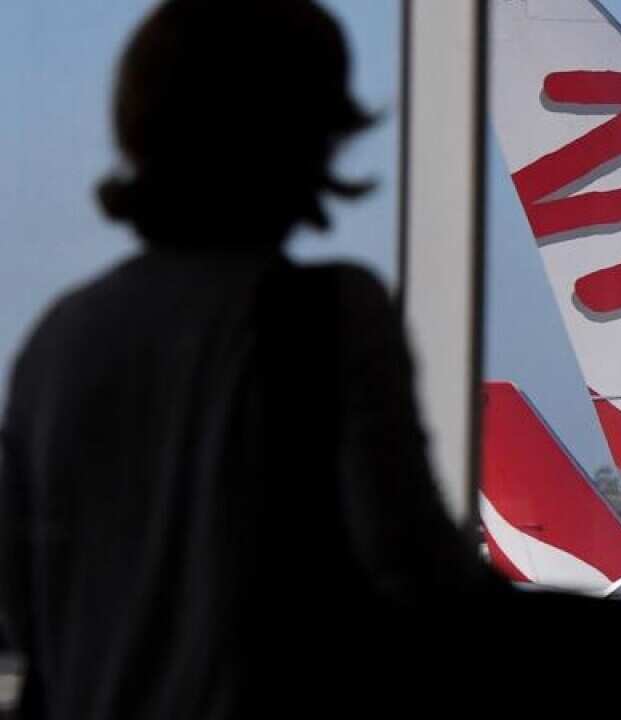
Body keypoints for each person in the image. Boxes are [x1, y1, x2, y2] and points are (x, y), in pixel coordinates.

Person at [0, 1, 506, 717]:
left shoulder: (57, 340)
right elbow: (419, 578)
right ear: (311, 138)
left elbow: (29, 611)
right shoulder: (330, 314)